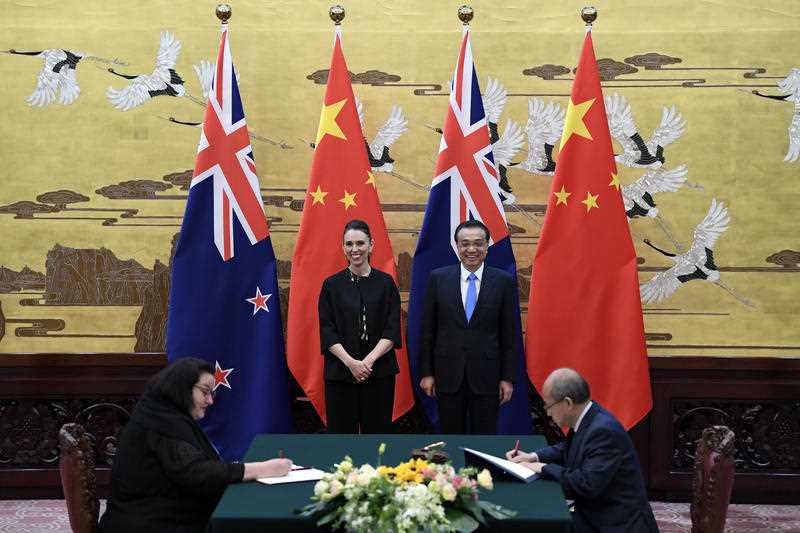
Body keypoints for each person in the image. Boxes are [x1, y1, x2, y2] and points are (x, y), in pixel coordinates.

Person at [98, 357, 292, 533]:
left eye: (212, 394)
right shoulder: (159, 423)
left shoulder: (163, 413)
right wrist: (261, 469)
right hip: (149, 523)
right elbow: (197, 474)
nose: (210, 401)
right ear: (180, 388)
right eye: (205, 392)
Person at [506, 368, 658, 533]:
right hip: (594, 512)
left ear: (568, 403)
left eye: (549, 406)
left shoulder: (603, 431)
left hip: (616, 523)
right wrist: (533, 457)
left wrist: (542, 468)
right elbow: (568, 448)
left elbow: (586, 484)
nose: (548, 413)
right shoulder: (587, 417)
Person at [418, 219, 518, 434]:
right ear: (457, 246)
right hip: (447, 376)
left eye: (478, 243)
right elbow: (427, 331)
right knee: (450, 438)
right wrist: (427, 373)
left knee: (485, 439)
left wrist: (507, 378)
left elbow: (510, 335)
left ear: (487, 245)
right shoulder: (438, 278)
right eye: (465, 244)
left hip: (488, 377)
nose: (471, 249)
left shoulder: (503, 281)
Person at [318, 219, 402, 433]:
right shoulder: (331, 285)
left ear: (371, 245)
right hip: (340, 371)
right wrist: (351, 363)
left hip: (379, 371)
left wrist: (367, 362)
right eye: (349, 244)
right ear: (343, 247)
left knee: (377, 436)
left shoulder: (386, 283)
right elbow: (327, 330)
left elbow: (392, 329)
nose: (355, 249)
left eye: (360, 243)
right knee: (341, 437)